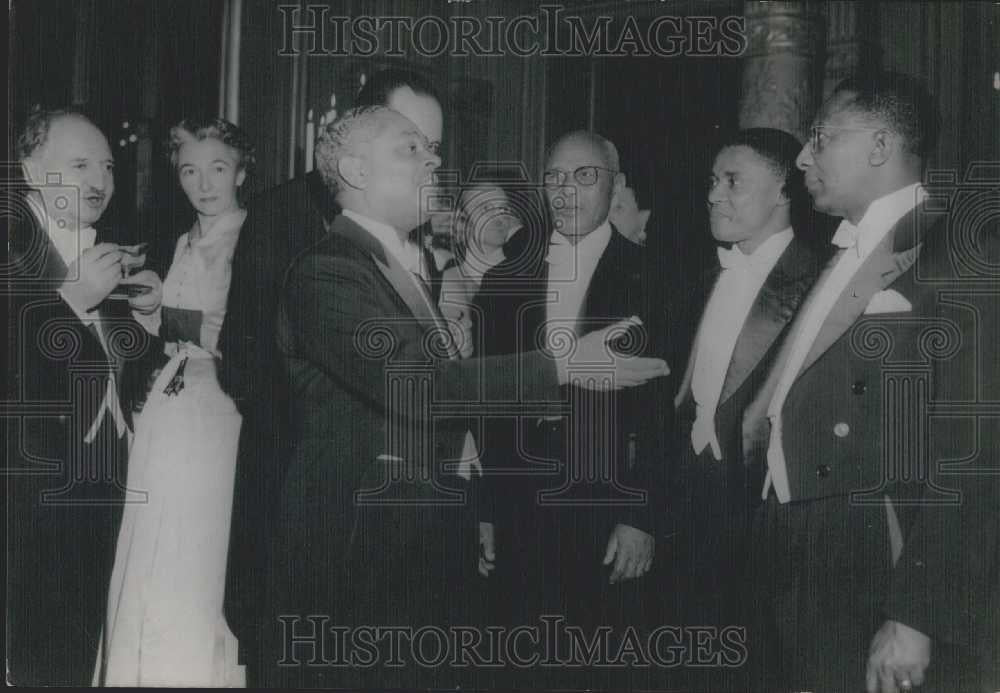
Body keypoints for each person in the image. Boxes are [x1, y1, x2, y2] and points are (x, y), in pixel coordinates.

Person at [263, 106, 668, 688]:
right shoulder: (327, 271)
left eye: (432, 147)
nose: (434, 158)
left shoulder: (404, 265)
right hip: (362, 549)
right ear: (354, 170)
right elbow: (420, 385)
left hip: (420, 540)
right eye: (411, 149)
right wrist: (566, 363)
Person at [742, 71, 999, 692]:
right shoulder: (837, 251)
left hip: (872, 545)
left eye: (821, 138)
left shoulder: (958, 250)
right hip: (792, 534)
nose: (804, 156)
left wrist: (917, 613)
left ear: (880, 147)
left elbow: (973, 449)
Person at [471, 131, 670, 685]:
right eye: (555, 178)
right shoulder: (501, 282)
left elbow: (663, 416)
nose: (566, 191)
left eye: (584, 177)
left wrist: (641, 516)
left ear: (615, 184)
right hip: (516, 501)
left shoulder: (656, 280)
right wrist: (484, 512)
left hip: (608, 507)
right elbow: (485, 404)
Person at [6, 108, 161, 685]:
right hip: (27, 483)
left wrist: (145, 321)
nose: (99, 179)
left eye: (107, 166)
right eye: (79, 164)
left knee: (75, 643)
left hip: (98, 472)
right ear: (30, 169)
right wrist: (68, 304)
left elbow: (103, 363)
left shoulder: (95, 247)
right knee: (28, 647)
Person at [101, 117, 254, 686]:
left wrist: (170, 309)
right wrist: (146, 303)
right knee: (152, 538)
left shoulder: (250, 237)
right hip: (168, 396)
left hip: (216, 404)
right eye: (190, 170)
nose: (204, 183)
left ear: (241, 170)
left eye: (217, 168)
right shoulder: (181, 240)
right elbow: (165, 328)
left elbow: (245, 335)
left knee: (195, 543)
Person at [667, 128, 821, 686]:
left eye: (733, 182)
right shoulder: (705, 276)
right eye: (712, 181)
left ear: (784, 190)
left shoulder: (819, 281)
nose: (713, 195)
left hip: (763, 516)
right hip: (690, 500)